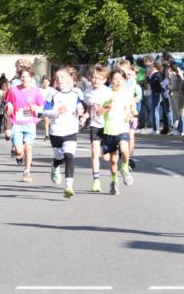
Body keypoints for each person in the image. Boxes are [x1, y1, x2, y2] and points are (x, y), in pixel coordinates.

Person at [44, 67, 85, 198]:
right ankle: (55, 166)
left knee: (69, 156)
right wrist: (56, 112)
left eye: (62, 77)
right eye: (57, 77)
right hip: (56, 131)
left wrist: (81, 112)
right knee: (59, 157)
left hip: (71, 130)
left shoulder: (76, 93)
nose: (59, 80)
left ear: (69, 79)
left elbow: (80, 106)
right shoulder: (52, 94)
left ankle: (68, 186)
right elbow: (44, 112)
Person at [98, 67, 135, 194]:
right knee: (112, 160)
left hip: (122, 128)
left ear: (124, 80)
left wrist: (130, 116)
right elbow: (98, 112)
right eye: (115, 79)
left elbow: (130, 110)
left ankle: (124, 168)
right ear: (110, 80)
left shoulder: (127, 93)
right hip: (109, 130)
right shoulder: (105, 93)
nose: (117, 81)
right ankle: (114, 182)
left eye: (120, 79)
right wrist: (107, 107)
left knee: (125, 150)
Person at [5, 67, 44, 180]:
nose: (24, 79)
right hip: (17, 123)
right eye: (22, 77)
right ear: (19, 78)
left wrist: (35, 107)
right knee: (19, 150)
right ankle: (19, 154)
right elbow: (8, 103)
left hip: (30, 123)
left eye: (27, 76)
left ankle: (27, 172)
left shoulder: (35, 90)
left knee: (28, 147)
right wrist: (10, 106)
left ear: (31, 78)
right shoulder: (13, 90)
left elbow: (41, 106)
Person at [83, 64, 109, 192]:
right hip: (94, 124)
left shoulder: (108, 91)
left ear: (104, 80)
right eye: (93, 77)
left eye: (99, 78)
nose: (96, 80)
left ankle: (106, 149)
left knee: (106, 157)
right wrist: (84, 116)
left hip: (108, 125)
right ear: (89, 78)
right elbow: (89, 109)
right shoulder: (87, 92)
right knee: (94, 151)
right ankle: (96, 180)